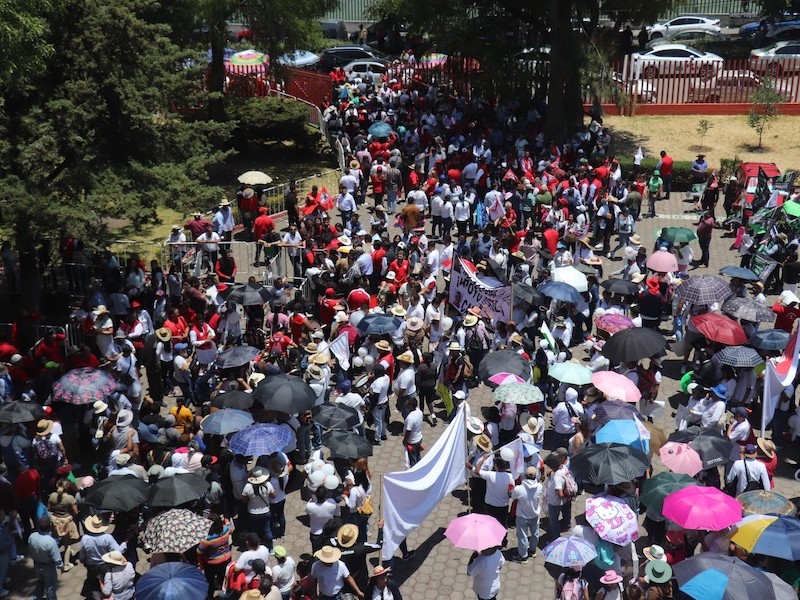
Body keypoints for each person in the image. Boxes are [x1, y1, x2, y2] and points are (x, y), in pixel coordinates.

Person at [510, 466, 543, 563]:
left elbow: (513, 497)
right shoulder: (540, 486)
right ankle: (533, 551)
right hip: (535, 515)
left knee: (522, 537)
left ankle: (523, 556)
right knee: (535, 534)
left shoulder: (519, 489)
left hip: (522, 516)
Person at [241, 468, 276, 553]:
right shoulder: (268, 484)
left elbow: (244, 500)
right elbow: (273, 495)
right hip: (266, 511)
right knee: (267, 529)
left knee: (255, 531)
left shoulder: (248, 487)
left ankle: (256, 547)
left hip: (253, 513)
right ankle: (271, 548)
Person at [28, 516, 63, 600]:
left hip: (37, 565)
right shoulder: (50, 542)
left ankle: (36, 598)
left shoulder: (32, 536)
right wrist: (61, 567)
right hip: (48, 567)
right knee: (50, 587)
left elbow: (30, 552)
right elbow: (57, 559)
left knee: (40, 582)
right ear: (50, 526)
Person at [198, 512, 234, 591]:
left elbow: (199, 551)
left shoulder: (207, 538)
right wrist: (227, 521)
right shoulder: (226, 529)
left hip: (212, 563)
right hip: (226, 558)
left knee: (210, 580)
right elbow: (230, 527)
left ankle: (211, 594)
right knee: (223, 578)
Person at [402, 397, 424, 467]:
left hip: (412, 442)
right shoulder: (419, 411)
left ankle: (414, 473)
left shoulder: (410, 418)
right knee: (417, 456)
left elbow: (408, 431)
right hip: (419, 438)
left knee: (413, 460)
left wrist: (405, 441)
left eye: (407, 403)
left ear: (411, 406)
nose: (405, 404)